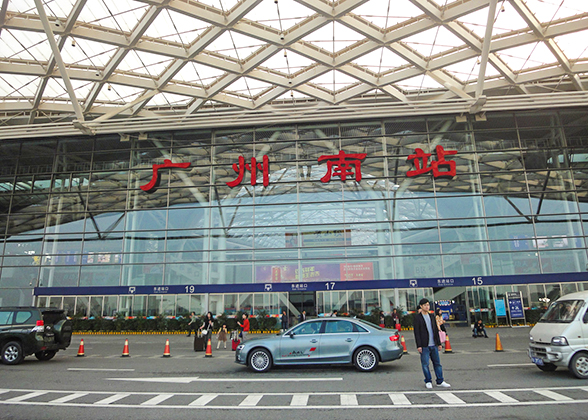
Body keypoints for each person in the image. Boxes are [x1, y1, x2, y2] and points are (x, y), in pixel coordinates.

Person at [413, 298, 451, 389]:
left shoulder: (432, 316)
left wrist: (439, 343)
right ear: (421, 306)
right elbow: (416, 333)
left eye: (428, 305)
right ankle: (428, 380)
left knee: (437, 363)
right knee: (425, 364)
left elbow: (435, 331)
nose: (427, 306)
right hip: (424, 345)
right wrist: (419, 345)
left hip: (433, 344)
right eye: (425, 305)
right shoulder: (417, 318)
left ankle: (440, 380)